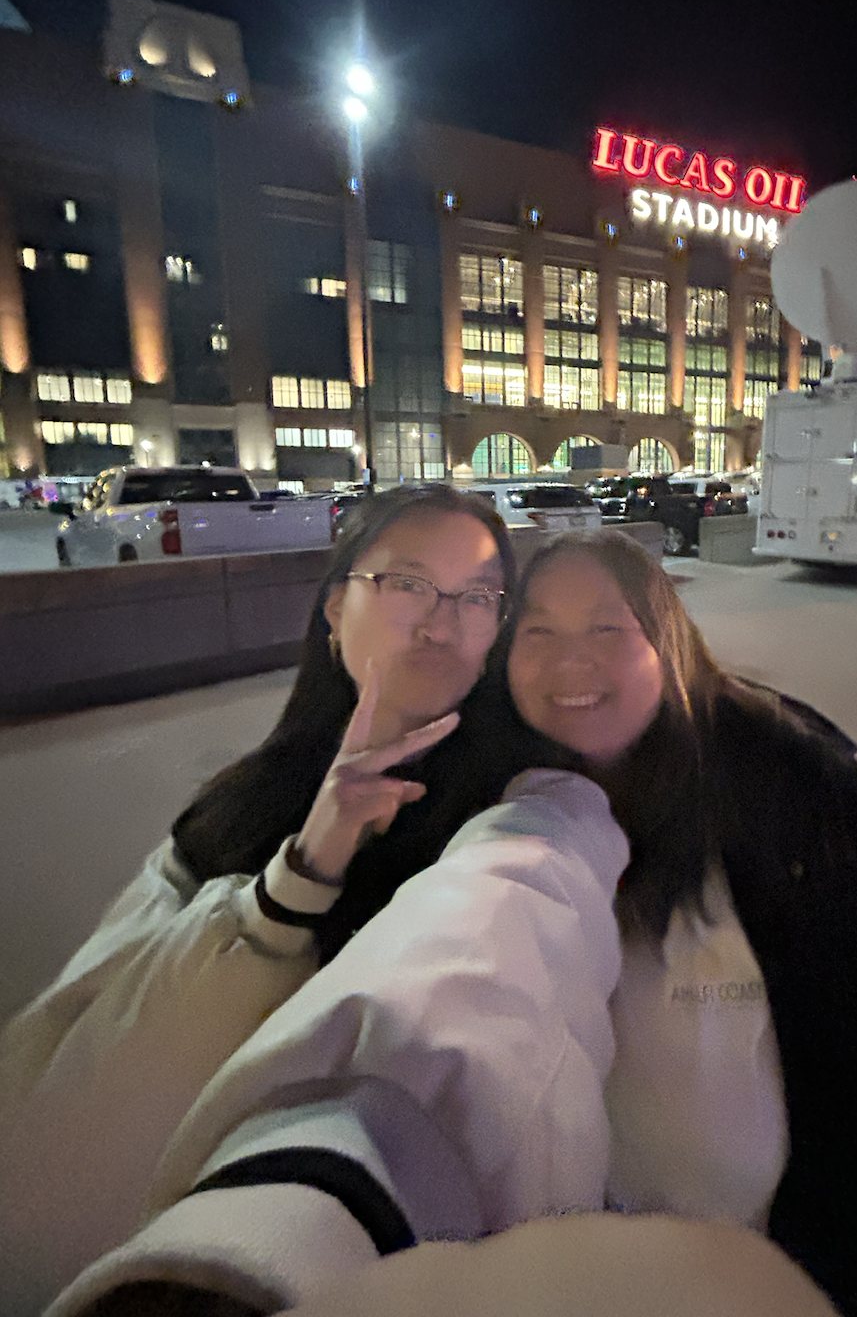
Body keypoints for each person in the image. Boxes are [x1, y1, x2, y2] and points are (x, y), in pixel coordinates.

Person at [51, 531, 857, 1317]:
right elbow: (448, 971)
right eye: (537, 632)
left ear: (668, 642)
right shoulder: (497, 799)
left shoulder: (788, 786)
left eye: (608, 628)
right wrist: (287, 1232)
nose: (570, 661)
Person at [2, 483, 593, 1317]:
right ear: (334, 608)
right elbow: (81, 1095)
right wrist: (309, 865)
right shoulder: (234, 813)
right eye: (409, 584)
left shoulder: (532, 799)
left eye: (477, 597)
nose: (442, 624)